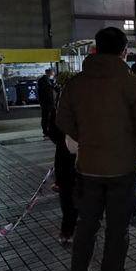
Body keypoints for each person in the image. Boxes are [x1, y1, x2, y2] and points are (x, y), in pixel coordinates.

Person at [56, 27, 136, 271]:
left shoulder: (76, 84)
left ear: (94, 50)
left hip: (87, 169)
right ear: (125, 52)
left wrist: (86, 137)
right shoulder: (133, 85)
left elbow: (62, 120)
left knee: (85, 228)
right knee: (117, 230)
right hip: (123, 170)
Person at [48, 101, 77, 243]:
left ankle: (67, 231)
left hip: (64, 158)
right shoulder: (89, 105)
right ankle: (86, 226)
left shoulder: (58, 109)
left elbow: (52, 133)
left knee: (67, 196)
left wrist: (62, 142)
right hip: (85, 158)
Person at [37, 68, 57, 136]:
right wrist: (52, 85)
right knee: (46, 116)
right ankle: (45, 130)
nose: (52, 76)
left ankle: (51, 129)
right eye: (51, 74)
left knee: (52, 116)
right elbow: (45, 90)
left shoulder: (50, 81)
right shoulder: (42, 81)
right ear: (47, 73)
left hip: (52, 101)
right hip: (46, 101)